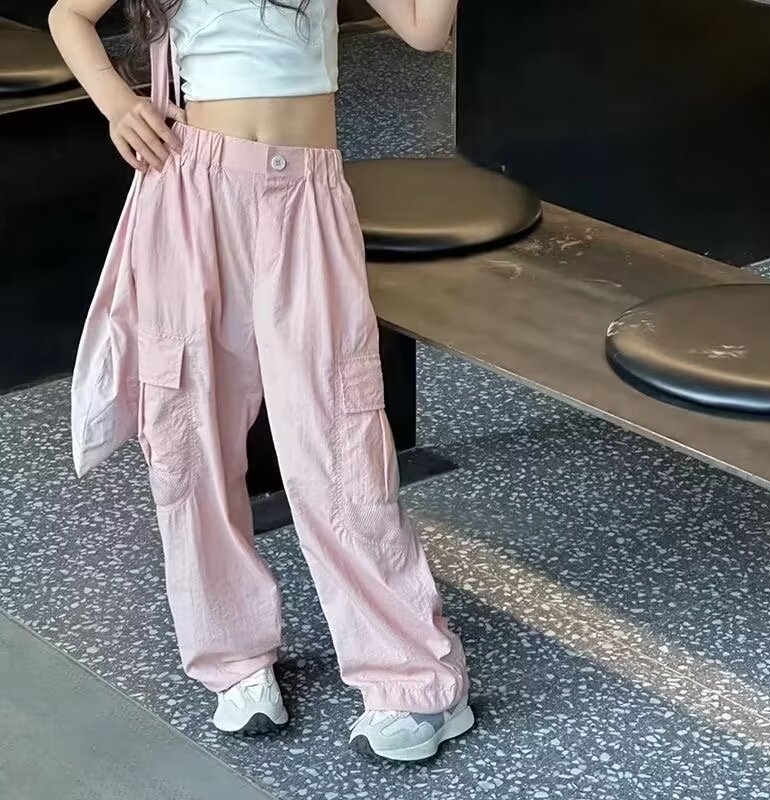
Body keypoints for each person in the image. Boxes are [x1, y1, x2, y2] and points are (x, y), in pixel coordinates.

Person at [49, 0, 472, 762]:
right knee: (190, 439)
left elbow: (425, 28)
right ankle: (234, 662)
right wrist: (117, 104)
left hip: (305, 196)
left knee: (340, 441)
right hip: (191, 189)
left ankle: (414, 682)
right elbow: (67, 14)